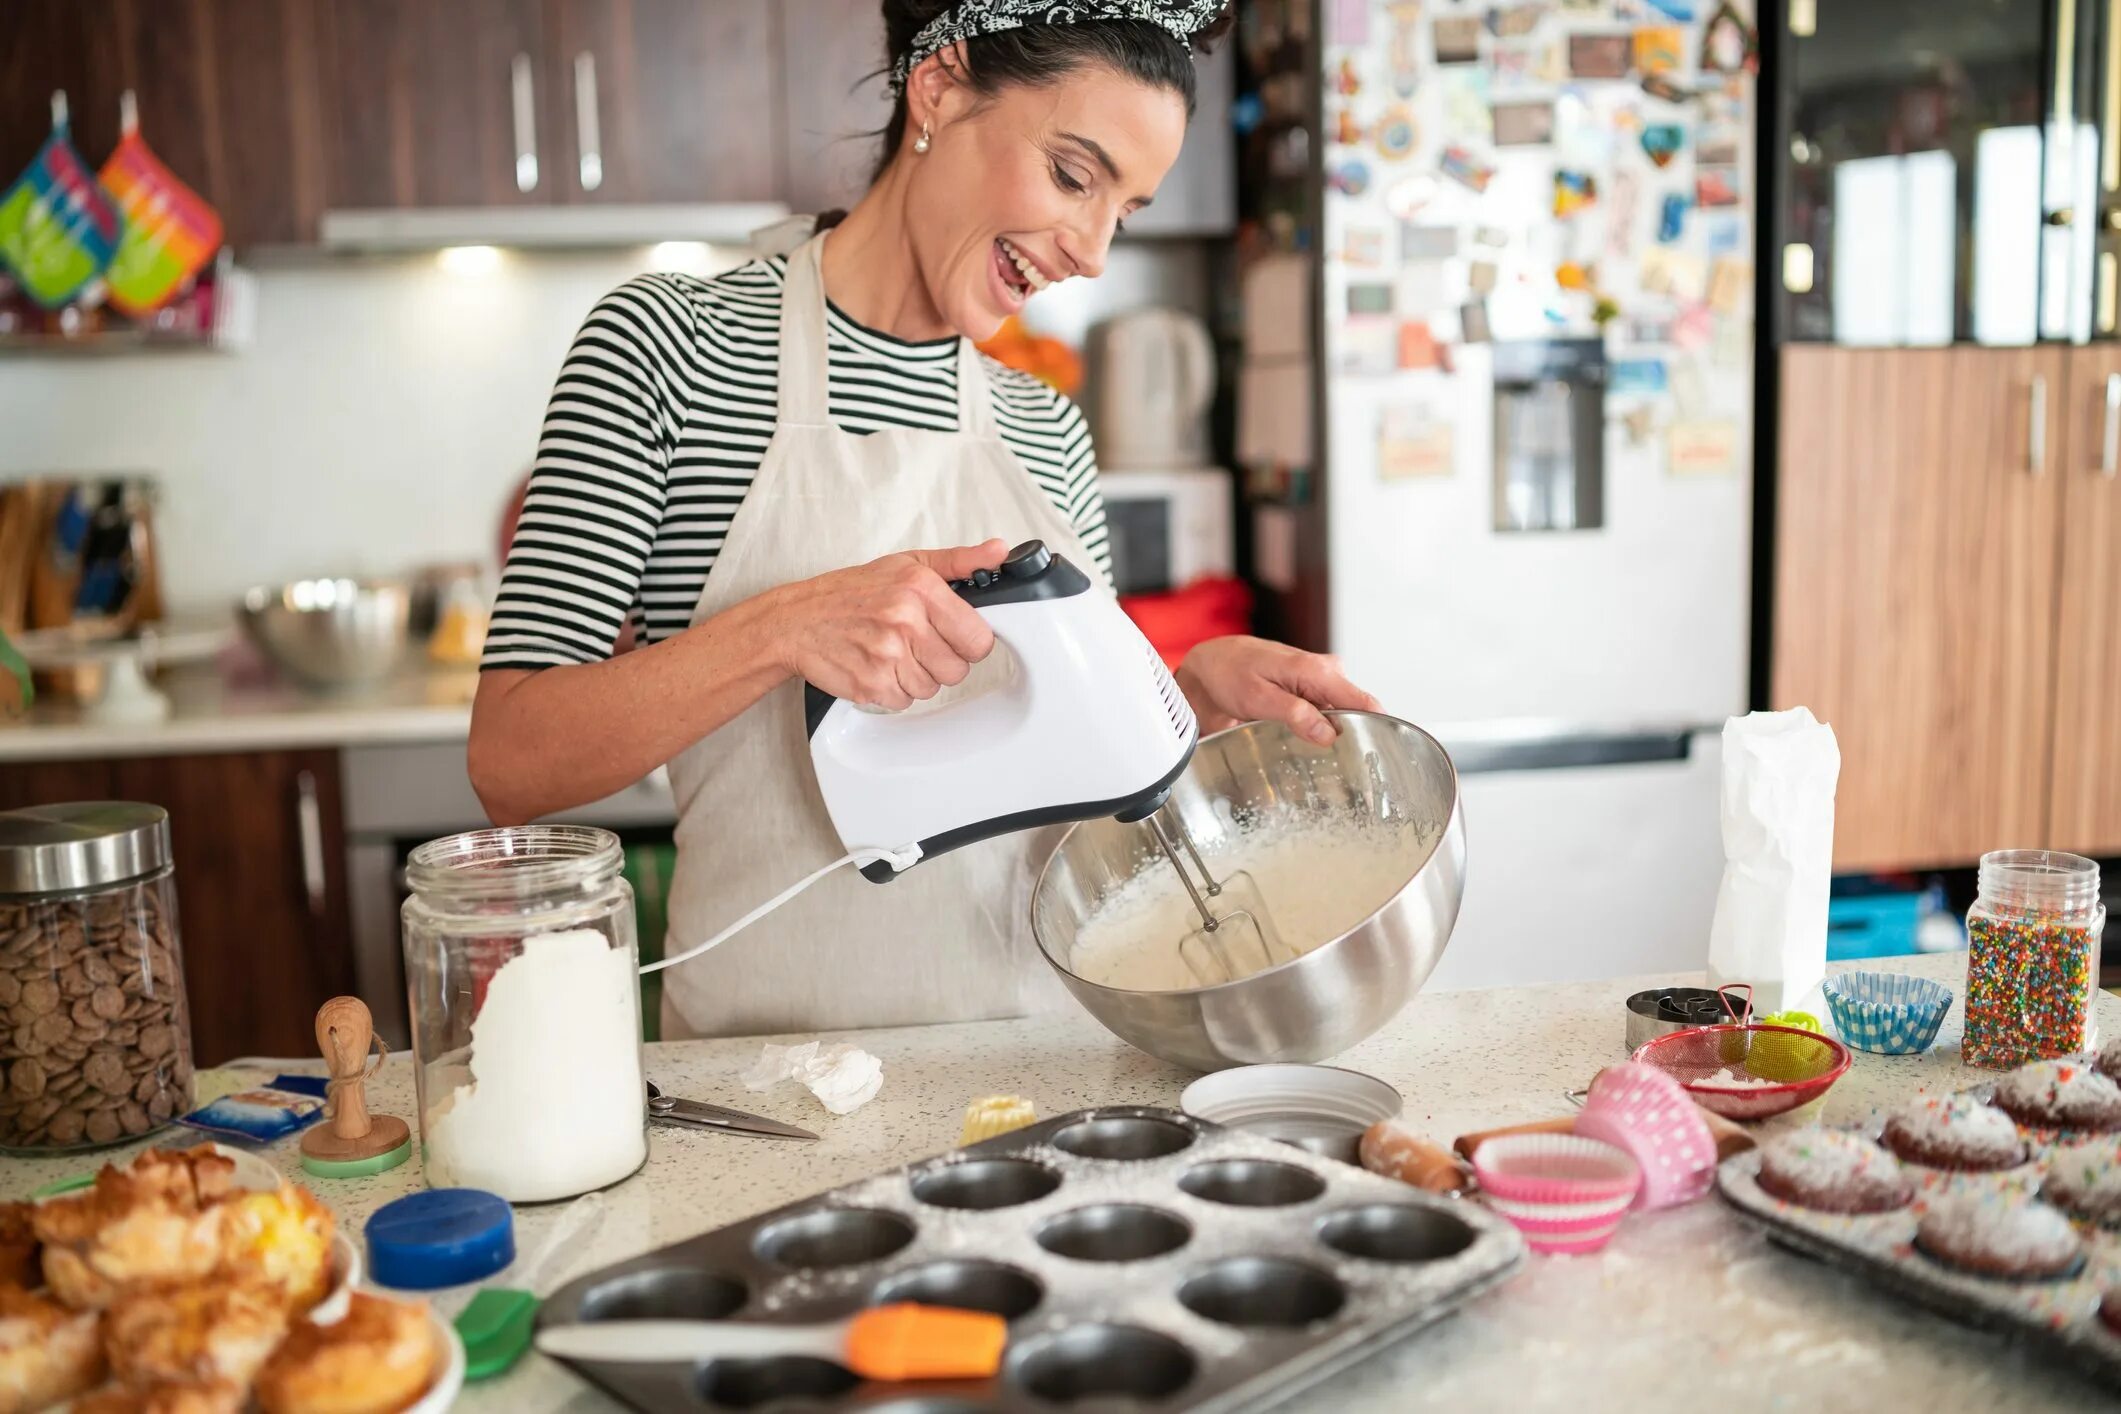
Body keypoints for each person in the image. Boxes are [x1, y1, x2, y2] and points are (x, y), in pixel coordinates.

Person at [469, 0, 1380, 1040]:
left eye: (1121, 212)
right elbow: (512, 763)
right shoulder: (670, 349)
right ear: (939, 87)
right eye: (1074, 176)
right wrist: (784, 628)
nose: (1090, 252)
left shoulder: (1047, 428)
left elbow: (1070, 790)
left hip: (1041, 1073)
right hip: (768, 1090)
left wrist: (1179, 710)